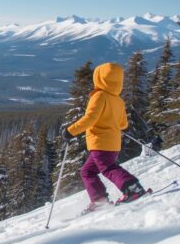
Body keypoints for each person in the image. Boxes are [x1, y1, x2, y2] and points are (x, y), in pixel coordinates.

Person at [62, 62, 147, 213]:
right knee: (87, 171)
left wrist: (70, 131)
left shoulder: (99, 96)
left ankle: (133, 188)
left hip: (100, 142)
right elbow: (123, 124)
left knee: (108, 168)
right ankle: (99, 200)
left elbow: (90, 119)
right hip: (112, 143)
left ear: (100, 78)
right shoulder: (118, 100)